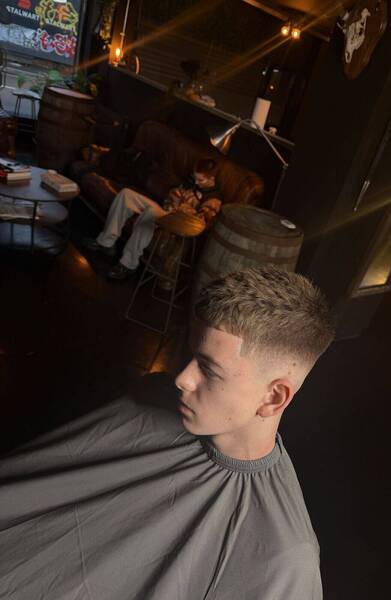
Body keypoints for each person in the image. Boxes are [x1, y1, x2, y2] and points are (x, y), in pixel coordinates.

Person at [0, 266, 335, 599]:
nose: (182, 379)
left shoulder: (286, 559)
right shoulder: (152, 397)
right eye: (192, 356)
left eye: (209, 369)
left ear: (273, 397)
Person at [82, 157, 222, 280]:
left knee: (150, 213)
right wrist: (173, 194)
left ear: (212, 179)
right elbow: (173, 193)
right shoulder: (191, 182)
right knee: (126, 194)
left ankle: (128, 264)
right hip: (165, 209)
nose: (196, 182)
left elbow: (199, 223)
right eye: (195, 178)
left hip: (174, 221)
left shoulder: (214, 199)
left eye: (200, 180)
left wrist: (185, 208)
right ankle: (106, 242)